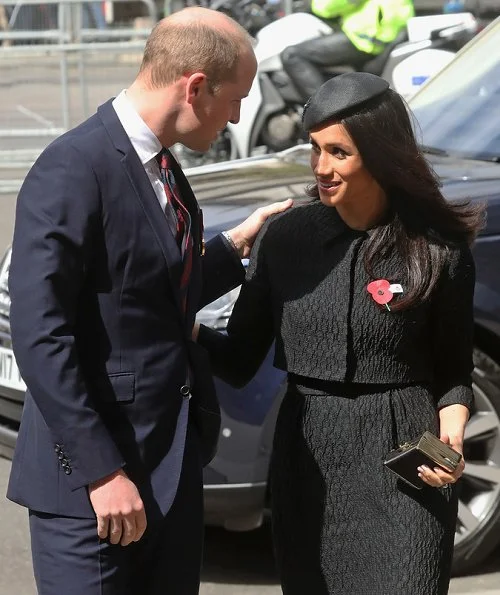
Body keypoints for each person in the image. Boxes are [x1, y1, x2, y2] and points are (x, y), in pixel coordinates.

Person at [6, 7, 292, 595]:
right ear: (194, 87)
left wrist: (235, 248)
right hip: (92, 494)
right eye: (235, 98)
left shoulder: (165, 169)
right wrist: (102, 472)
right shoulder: (72, 168)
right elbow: (41, 337)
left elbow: (148, 296)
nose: (239, 115)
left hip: (169, 472)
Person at [195, 72, 486, 594]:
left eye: (339, 152)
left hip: (406, 463)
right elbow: (239, 359)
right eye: (314, 150)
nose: (321, 168)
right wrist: (178, 328)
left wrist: (453, 435)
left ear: (380, 155)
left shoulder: (439, 250)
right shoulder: (285, 239)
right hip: (309, 461)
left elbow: (453, 371)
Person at [280, 0, 414, 103]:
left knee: (292, 55)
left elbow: (324, 7)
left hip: (367, 37)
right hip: (390, 31)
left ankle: (325, 112)